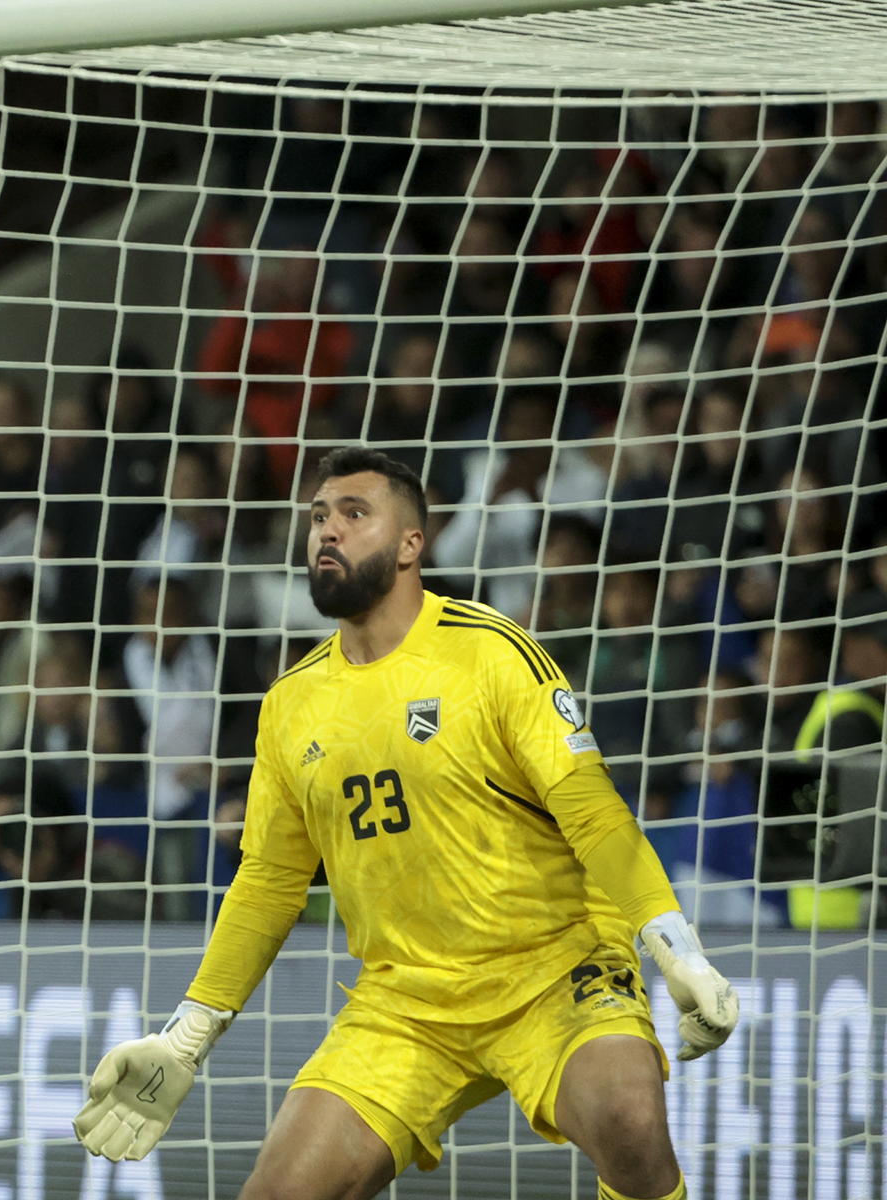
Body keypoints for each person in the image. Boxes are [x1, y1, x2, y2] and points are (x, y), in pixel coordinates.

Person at [75, 447, 739, 1200]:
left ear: (410, 545)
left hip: (554, 968)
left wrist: (675, 951)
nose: (327, 530)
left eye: (355, 514)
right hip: (406, 1002)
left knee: (629, 1121)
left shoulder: (493, 654)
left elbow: (592, 813)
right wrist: (187, 1037)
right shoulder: (292, 702)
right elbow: (266, 884)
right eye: (319, 515)